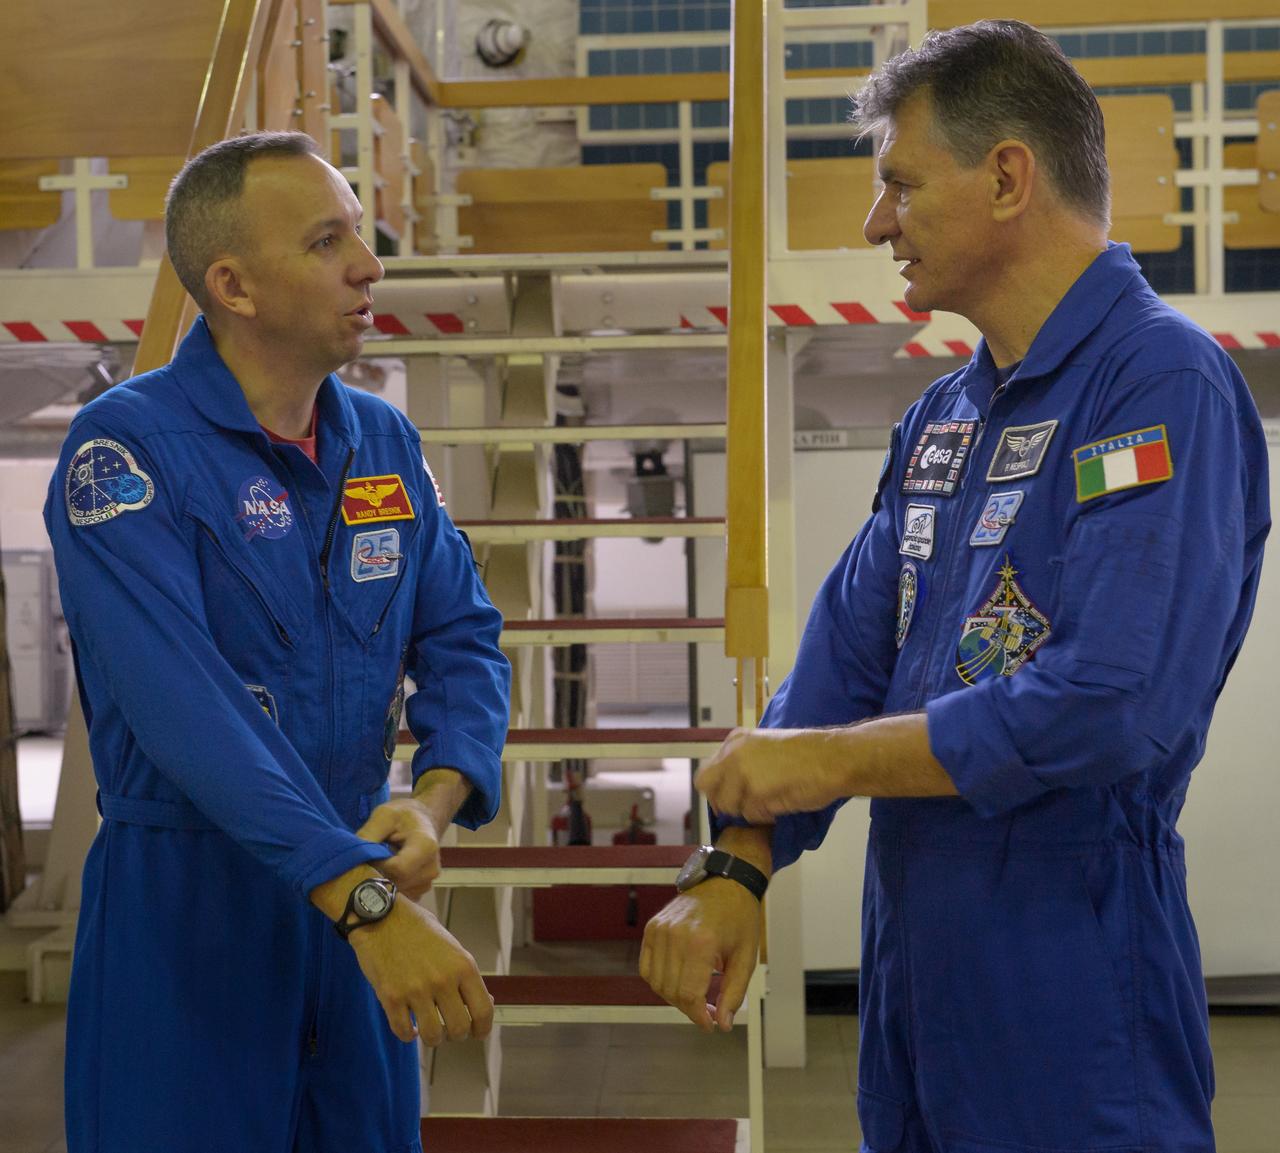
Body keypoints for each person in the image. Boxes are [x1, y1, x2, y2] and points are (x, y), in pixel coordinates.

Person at [642, 21, 1269, 1153]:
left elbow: (1110, 704)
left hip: (1072, 980)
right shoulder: (944, 417)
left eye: (896, 184)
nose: (874, 223)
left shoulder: (1160, 383)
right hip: (916, 979)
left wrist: (824, 763)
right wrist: (737, 859)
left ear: (1006, 177)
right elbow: (840, 659)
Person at [45, 131, 511, 1153]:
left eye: (359, 231)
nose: (368, 263)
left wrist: (430, 798)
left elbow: (463, 637)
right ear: (235, 285)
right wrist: (363, 899)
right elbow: (185, 708)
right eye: (326, 239)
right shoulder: (125, 451)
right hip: (188, 918)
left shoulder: (380, 442)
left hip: (353, 897)